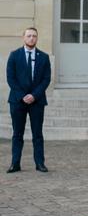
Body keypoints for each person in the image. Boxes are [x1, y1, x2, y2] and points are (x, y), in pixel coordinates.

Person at [6, 27, 51, 173]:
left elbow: (46, 79)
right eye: (29, 36)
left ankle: (40, 163)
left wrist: (34, 95)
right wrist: (22, 96)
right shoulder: (14, 55)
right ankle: (15, 163)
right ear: (23, 38)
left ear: (37, 38)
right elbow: (10, 78)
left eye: (34, 36)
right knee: (17, 134)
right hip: (17, 101)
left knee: (37, 134)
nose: (31, 38)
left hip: (37, 101)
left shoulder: (44, 57)